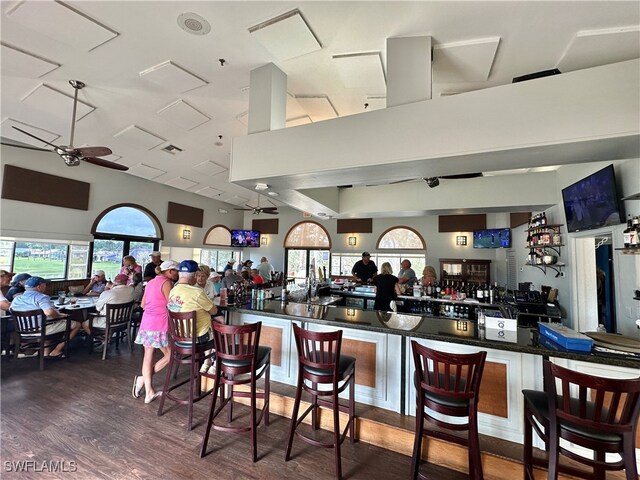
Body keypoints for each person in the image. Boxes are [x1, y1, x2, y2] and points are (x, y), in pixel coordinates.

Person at [133, 260, 179, 404]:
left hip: (146, 323)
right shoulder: (167, 283)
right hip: (159, 324)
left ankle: (148, 390)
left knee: (148, 356)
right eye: (176, 271)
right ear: (170, 271)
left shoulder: (151, 282)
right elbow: (171, 304)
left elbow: (142, 304)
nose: (177, 274)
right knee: (171, 355)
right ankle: (144, 384)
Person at [167, 260, 220, 374]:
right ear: (196, 275)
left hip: (178, 338)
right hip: (198, 338)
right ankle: (215, 364)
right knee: (221, 329)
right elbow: (214, 311)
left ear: (180, 274)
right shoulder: (197, 292)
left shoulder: (173, 290)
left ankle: (208, 363)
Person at [10, 276, 81, 357]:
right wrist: (59, 315)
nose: (46, 287)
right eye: (45, 285)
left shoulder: (17, 298)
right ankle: (57, 350)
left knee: (46, 322)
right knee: (77, 325)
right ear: (39, 287)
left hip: (22, 331)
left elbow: (12, 310)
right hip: (41, 330)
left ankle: (46, 352)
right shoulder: (41, 297)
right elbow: (49, 312)